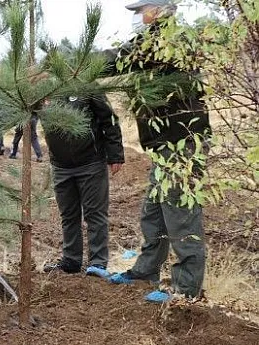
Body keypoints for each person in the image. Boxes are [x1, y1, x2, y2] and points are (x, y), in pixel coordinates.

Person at [108, 0, 211, 303]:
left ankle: (186, 291)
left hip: (181, 148)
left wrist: (73, 64)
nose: (137, 18)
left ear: (162, 9)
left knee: (181, 218)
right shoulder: (155, 43)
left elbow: (117, 59)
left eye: (141, 11)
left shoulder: (167, 41)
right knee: (153, 215)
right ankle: (146, 269)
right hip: (164, 147)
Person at [40, 94, 124, 277]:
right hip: (61, 166)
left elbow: (109, 118)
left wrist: (115, 154)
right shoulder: (43, 90)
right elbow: (15, 111)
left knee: (95, 213)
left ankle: (98, 263)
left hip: (91, 162)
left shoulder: (86, 85)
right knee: (68, 215)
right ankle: (71, 260)